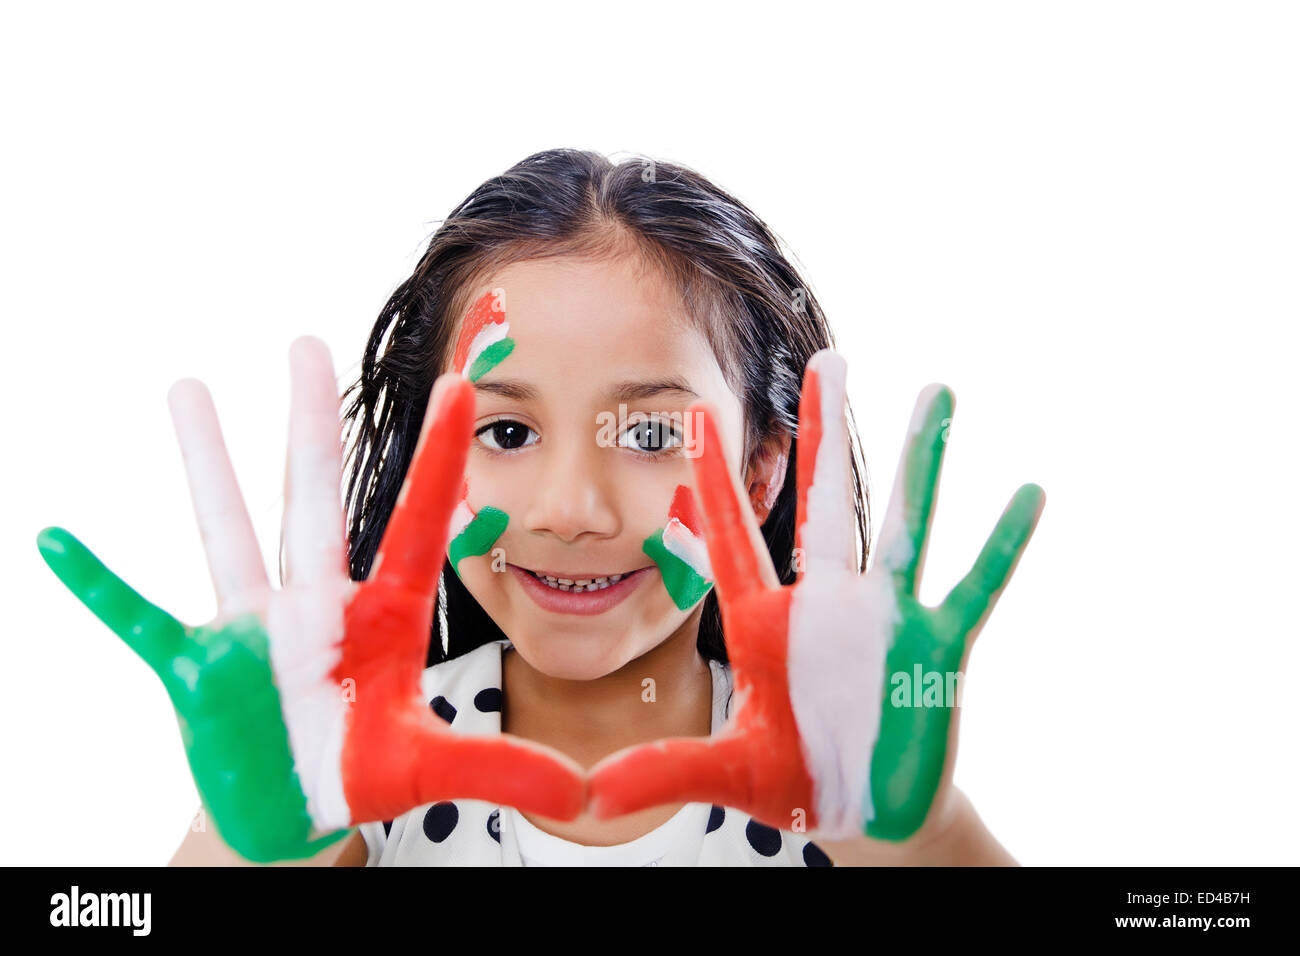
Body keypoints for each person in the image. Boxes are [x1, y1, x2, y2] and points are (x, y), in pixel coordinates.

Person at [46, 148, 1040, 866]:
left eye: (650, 435)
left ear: (761, 472)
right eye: (507, 433)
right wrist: (237, 840)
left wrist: (921, 836)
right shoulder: (350, 771)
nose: (569, 508)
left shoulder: (838, 776)